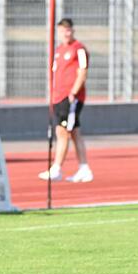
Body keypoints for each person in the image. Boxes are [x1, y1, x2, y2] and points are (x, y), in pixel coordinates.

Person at [39, 18, 93, 183]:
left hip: (70, 98)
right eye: (62, 30)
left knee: (62, 131)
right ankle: (84, 168)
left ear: (72, 31)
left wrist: (73, 92)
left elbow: (82, 72)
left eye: (68, 30)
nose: (65, 33)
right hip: (58, 97)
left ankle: (56, 168)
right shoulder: (59, 50)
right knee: (74, 132)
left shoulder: (79, 49)